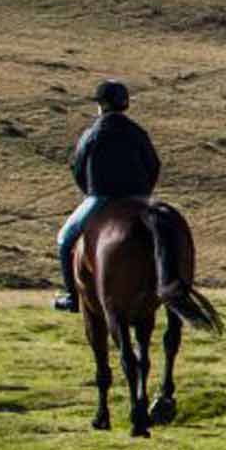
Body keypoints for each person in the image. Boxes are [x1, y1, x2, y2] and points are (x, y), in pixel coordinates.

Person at [54, 80, 161, 313]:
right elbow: (154, 165)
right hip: (138, 199)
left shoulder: (91, 134)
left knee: (64, 239)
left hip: (101, 197)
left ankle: (72, 296)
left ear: (101, 105)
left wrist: (90, 192)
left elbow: (78, 168)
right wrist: (143, 195)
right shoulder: (138, 132)